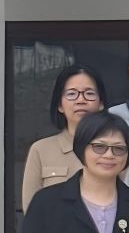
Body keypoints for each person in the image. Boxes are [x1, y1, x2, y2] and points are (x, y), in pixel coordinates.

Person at [21, 65, 108, 212]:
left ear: (101, 103)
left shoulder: (114, 149)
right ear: (60, 105)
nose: (81, 100)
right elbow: (31, 210)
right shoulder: (41, 150)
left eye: (89, 93)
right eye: (72, 94)